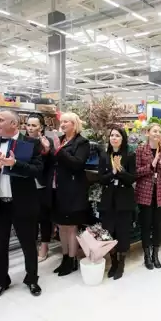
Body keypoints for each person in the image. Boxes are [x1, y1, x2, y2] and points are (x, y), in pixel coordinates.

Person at [0, 110, 43, 300]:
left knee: (29, 244)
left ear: (14, 123)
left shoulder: (30, 143)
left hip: (23, 204)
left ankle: (32, 279)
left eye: (0, 120)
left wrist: (15, 164)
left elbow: (37, 170)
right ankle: (1, 281)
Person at [51, 112, 91, 277]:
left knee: (72, 226)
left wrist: (59, 150)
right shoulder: (60, 140)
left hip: (74, 190)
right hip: (58, 188)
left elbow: (77, 164)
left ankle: (72, 259)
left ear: (75, 124)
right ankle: (65, 257)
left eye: (67, 121)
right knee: (61, 225)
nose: (63, 124)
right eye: (62, 121)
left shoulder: (82, 142)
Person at [98, 127, 136, 280]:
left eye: (117, 136)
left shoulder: (130, 155)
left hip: (124, 200)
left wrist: (119, 171)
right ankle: (113, 261)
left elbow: (132, 178)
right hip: (108, 200)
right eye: (112, 135)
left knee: (123, 232)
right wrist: (112, 173)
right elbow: (101, 178)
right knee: (109, 232)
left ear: (123, 138)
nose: (114, 138)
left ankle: (121, 263)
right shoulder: (104, 156)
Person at [135, 123, 161, 269]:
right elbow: (136, 173)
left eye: (159, 132)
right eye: (154, 131)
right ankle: (146, 255)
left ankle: (155, 254)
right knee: (145, 226)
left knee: (158, 226)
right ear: (148, 133)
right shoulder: (140, 150)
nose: (157, 134)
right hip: (145, 194)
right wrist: (152, 164)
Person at [25, 114, 55, 262]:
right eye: (28, 125)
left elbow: (51, 163)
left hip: (42, 184)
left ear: (41, 127)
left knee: (44, 217)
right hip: (26, 185)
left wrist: (47, 150)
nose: (30, 128)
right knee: (30, 218)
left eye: (34, 125)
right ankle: (32, 246)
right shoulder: (22, 141)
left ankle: (44, 246)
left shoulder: (46, 142)